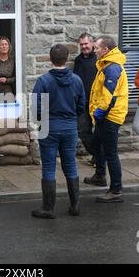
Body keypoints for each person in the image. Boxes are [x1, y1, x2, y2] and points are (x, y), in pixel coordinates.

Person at [31, 44, 85, 219]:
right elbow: (81, 106)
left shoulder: (44, 81)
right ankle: (75, 205)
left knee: (48, 166)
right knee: (70, 165)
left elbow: (36, 108)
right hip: (70, 127)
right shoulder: (77, 80)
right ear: (67, 57)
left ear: (50, 58)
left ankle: (48, 208)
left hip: (49, 127)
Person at [84, 36, 128, 203]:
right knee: (96, 144)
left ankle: (116, 190)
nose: (94, 50)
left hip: (110, 117)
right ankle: (100, 175)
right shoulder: (106, 64)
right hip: (104, 116)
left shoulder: (112, 68)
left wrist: (99, 113)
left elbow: (108, 96)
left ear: (106, 50)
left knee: (111, 153)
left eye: (97, 47)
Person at [74, 33, 98, 167]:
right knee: (82, 131)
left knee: (100, 132)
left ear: (92, 44)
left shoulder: (99, 59)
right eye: (81, 44)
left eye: (86, 44)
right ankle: (97, 155)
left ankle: (99, 158)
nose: (84, 47)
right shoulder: (78, 60)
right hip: (83, 103)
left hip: (98, 103)